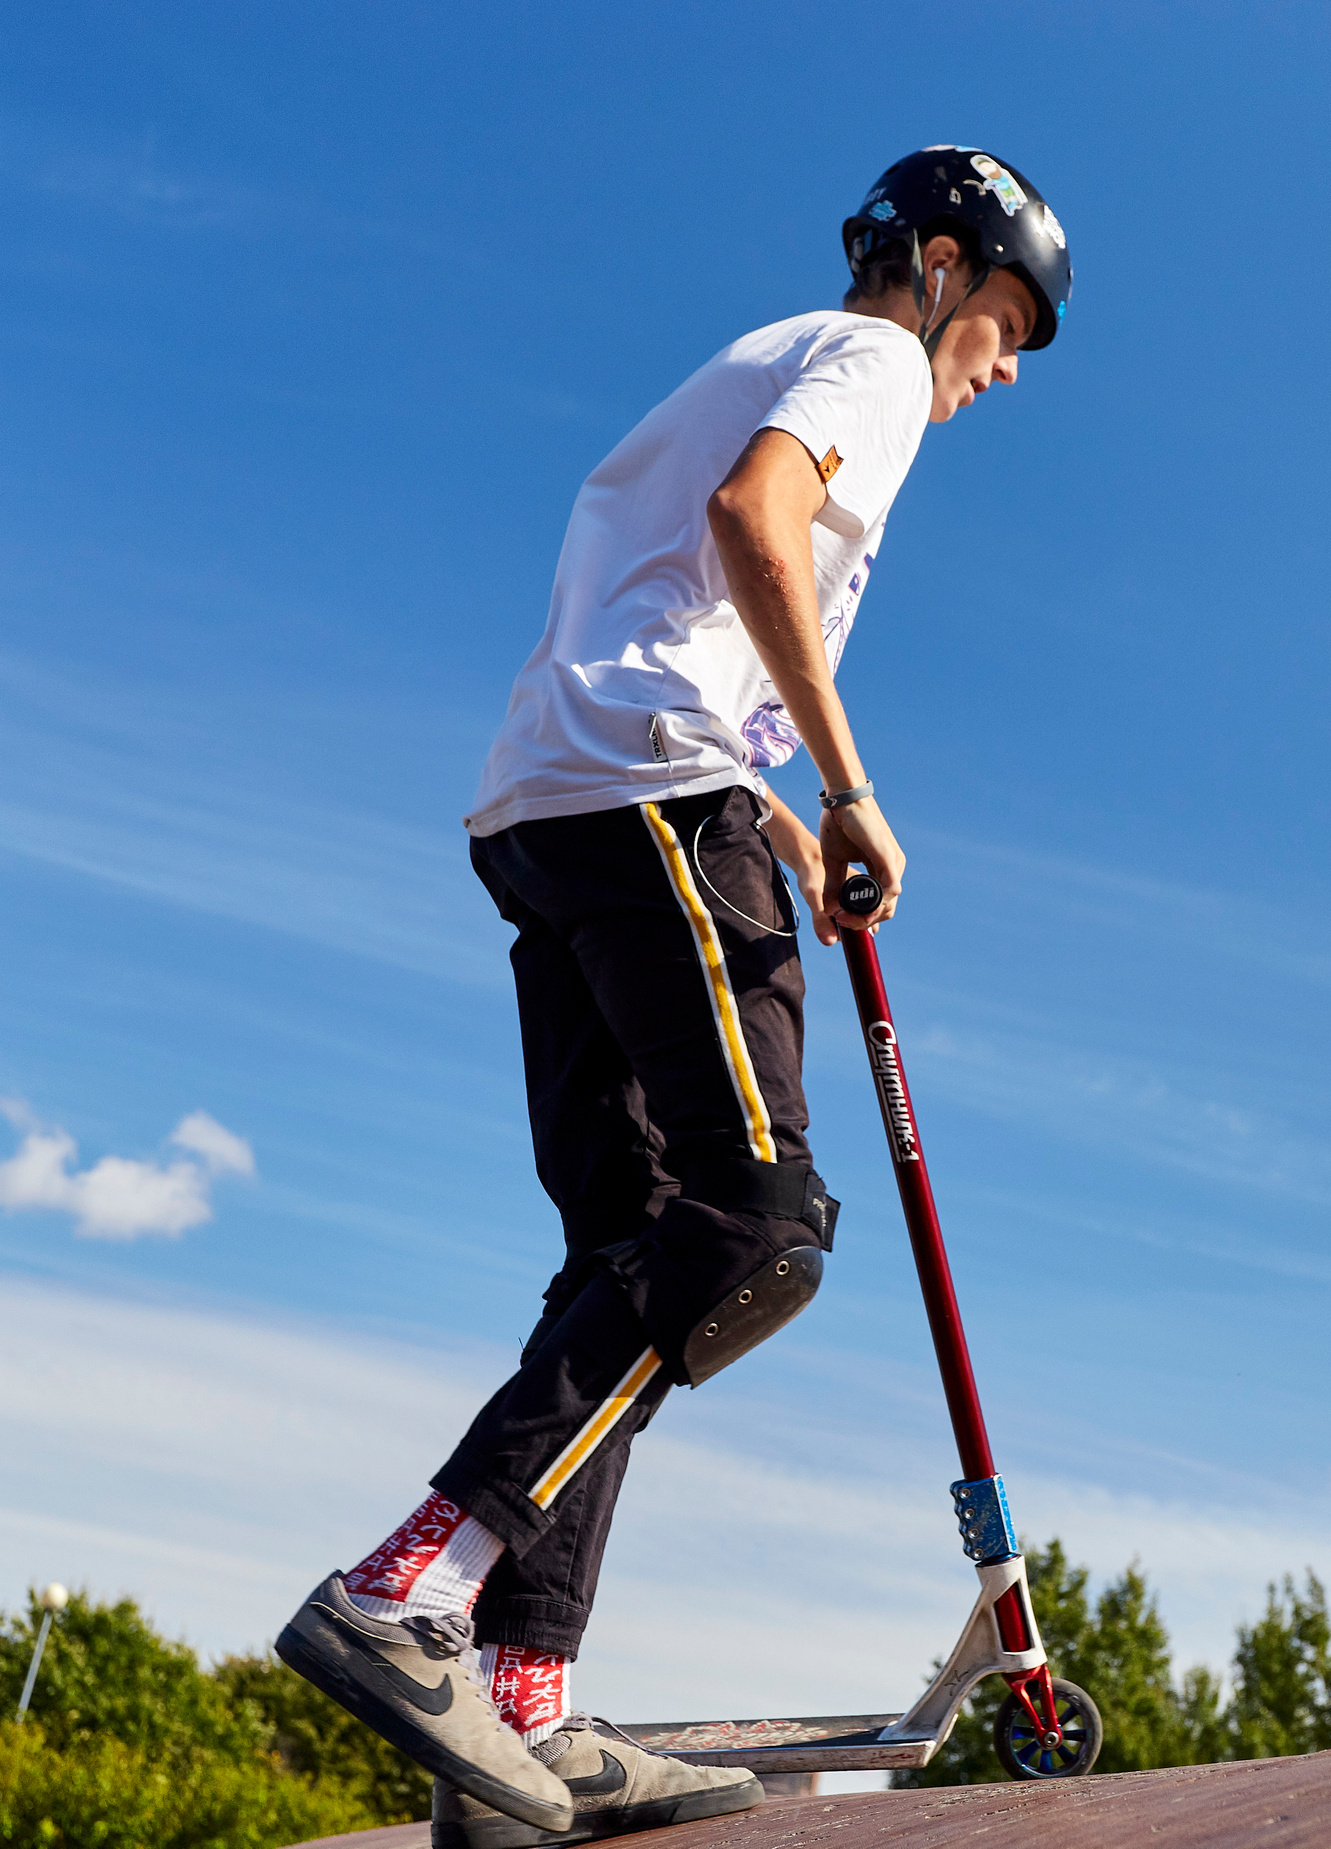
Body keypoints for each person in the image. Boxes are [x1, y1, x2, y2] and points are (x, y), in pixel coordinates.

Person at [276, 146, 1072, 1844]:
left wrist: (784, 809)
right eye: (1001, 323)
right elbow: (753, 526)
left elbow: (676, 605)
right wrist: (849, 790)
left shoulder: (769, 352)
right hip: (649, 800)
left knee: (629, 1249)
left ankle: (521, 1706)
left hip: (554, 808)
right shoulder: (868, 363)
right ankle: (406, 1585)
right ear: (938, 266)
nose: (997, 369)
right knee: (755, 1219)